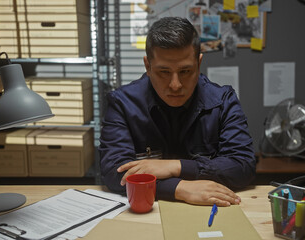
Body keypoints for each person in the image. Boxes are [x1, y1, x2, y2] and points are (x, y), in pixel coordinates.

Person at [99, 17, 256, 207]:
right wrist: (179, 188)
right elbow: (115, 173)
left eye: (185, 71)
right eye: (164, 72)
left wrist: (175, 166)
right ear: (147, 66)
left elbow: (243, 165)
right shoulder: (123, 103)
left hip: (214, 208)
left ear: (199, 64)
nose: (175, 85)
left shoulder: (223, 101)